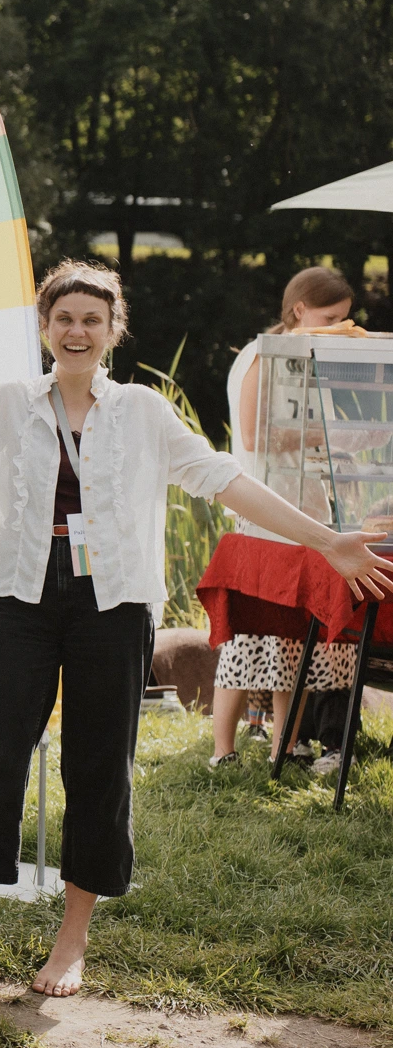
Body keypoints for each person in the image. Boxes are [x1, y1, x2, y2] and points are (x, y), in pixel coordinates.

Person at [0, 260, 393, 996]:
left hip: (113, 607)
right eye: (64, 319)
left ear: (112, 329)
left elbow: (224, 478)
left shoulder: (142, 412)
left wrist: (326, 540)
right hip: (22, 600)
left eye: (92, 319)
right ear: (45, 327)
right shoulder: (8, 406)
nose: (77, 331)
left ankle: (72, 941)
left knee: (99, 767)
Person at [210, 266, 358, 767]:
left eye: (345, 319)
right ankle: (224, 752)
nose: (339, 327)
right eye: (330, 318)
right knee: (249, 638)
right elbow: (255, 436)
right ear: (300, 310)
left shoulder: (307, 360)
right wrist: (328, 436)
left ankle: (285, 747)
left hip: (304, 514)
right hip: (265, 513)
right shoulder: (261, 355)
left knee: (292, 640)